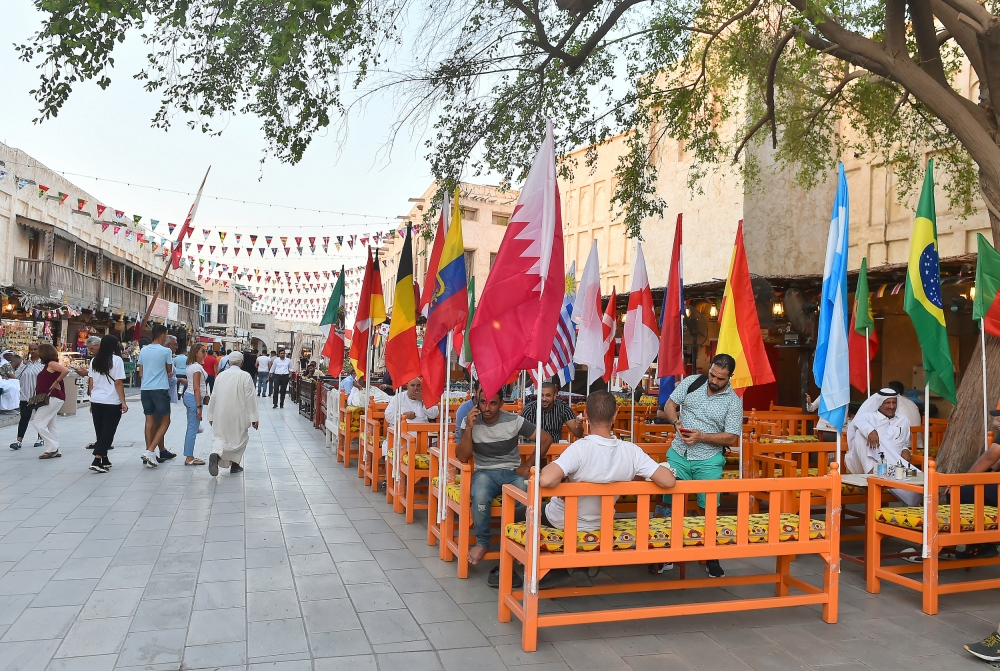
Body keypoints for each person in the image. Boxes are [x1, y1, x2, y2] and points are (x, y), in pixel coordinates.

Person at [537, 390, 677, 587]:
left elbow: (546, 480)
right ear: (614, 416)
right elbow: (668, 481)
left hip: (562, 522)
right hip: (601, 522)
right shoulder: (631, 451)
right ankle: (573, 568)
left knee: (524, 511)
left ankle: (542, 569)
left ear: (585, 415)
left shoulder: (580, 448)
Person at [456, 382, 552, 586]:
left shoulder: (514, 421)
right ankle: (482, 542)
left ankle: (519, 543)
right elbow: (462, 457)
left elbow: (545, 439)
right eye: (483, 402)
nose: (487, 408)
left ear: (501, 403)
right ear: (476, 400)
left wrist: (526, 466)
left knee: (528, 494)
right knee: (480, 496)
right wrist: (469, 429)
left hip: (512, 472)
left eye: (492, 403)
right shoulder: (469, 421)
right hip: (485, 473)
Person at [659, 353, 743, 578]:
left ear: (730, 377)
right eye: (713, 375)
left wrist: (702, 436)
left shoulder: (733, 402)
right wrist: (676, 422)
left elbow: (731, 438)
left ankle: (711, 556)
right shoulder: (692, 382)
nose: (714, 381)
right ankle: (666, 552)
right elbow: (670, 404)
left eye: (720, 378)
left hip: (708, 458)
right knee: (670, 504)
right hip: (679, 452)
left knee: (709, 509)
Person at [845, 387, 920, 505]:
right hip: (870, 464)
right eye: (887, 403)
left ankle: (882, 476)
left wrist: (905, 449)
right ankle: (873, 473)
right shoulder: (868, 417)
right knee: (860, 433)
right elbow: (857, 422)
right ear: (879, 403)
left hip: (894, 462)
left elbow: (903, 442)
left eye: (894, 402)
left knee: (920, 482)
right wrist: (870, 430)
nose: (891, 406)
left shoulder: (903, 419)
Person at [206, 352, 259, 475]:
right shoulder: (245, 376)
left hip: (221, 413)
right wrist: (254, 418)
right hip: (239, 414)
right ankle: (235, 465)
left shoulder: (220, 376)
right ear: (242, 363)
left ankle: (216, 453)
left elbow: (213, 396)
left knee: (220, 437)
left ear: (228, 362)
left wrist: (211, 415)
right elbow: (250, 398)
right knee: (239, 438)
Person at [87, 335, 128, 473]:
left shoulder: (94, 360)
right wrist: (123, 401)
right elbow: (118, 382)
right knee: (108, 430)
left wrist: (91, 401)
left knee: (100, 430)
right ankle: (97, 459)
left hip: (96, 399)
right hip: (111, 400)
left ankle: (104, 459)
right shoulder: (116, 360)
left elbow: (91, 383)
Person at [137, 324, 176, 467]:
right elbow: (169, 371)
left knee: (149, 420)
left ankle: (150, 453)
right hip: (160, 389)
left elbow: (140, 372)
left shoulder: (144, 350)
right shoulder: (166, 351)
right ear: (164, 335)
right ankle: (150, 451)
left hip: (145, 388)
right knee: (165, 421)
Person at [34, 343, 70, 460]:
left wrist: (56, 382)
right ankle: (56, 449)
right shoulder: (49, 365)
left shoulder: (51, 364)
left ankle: (52, 447)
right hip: (53, 397)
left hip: (52, 397)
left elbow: (65, 370)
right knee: (50, 424)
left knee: (38, 423)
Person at [11, 342, 45, 450]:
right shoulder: (25, 364)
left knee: (39, 418)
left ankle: (40, 438)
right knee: (24, 418)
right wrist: (23, 364)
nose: (33, 351)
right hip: (25, 395)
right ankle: (19, 440)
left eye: (35, 349)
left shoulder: (43, 364)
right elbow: (16, 376)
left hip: (38, 395)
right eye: (31, 349)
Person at [181, 343, 209, 467]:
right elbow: (197, 388)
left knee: (192, 427)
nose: (205, 353)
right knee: (192, 428)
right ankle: (189, 457)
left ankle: (189, 455)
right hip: (194, 398)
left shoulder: (191, 366)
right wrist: (199, 407)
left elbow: (193, 384)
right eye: (203, 351)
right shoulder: (196, 368)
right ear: (196, 352)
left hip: (190, 396)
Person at [166, 336, 180, 405]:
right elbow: (169, 377)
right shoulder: (166, 357)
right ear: (168, 345)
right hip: (164, 394)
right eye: (175, 344)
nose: (176, 347)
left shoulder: (171, 358)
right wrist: (178, 380)